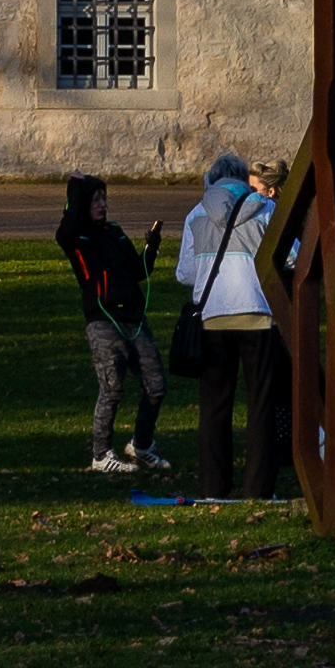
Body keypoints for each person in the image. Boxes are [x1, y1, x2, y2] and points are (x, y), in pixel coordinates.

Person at [173, 152, 284, 497]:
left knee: (214, 407)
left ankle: (212, 487)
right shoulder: (265, 209)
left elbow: (185, 274)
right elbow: (291, 255)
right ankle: (258, 488)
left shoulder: (196, 213)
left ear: (213, 179)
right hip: (259, 314)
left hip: (212, 317)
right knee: (261, 405)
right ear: (241, 178)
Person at [56, 172, 167, 473]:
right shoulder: (76, 237)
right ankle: (101, 454)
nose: (102, 205)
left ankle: (141, 445)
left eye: (104, 198)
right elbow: (64, 231)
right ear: (81, 204)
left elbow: (139, 271)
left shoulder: (115, 232)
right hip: (103, 320)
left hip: (133, 318)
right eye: (94, 200)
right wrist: (77, 191)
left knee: (156, 385)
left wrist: (151, 247)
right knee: (112, 389)